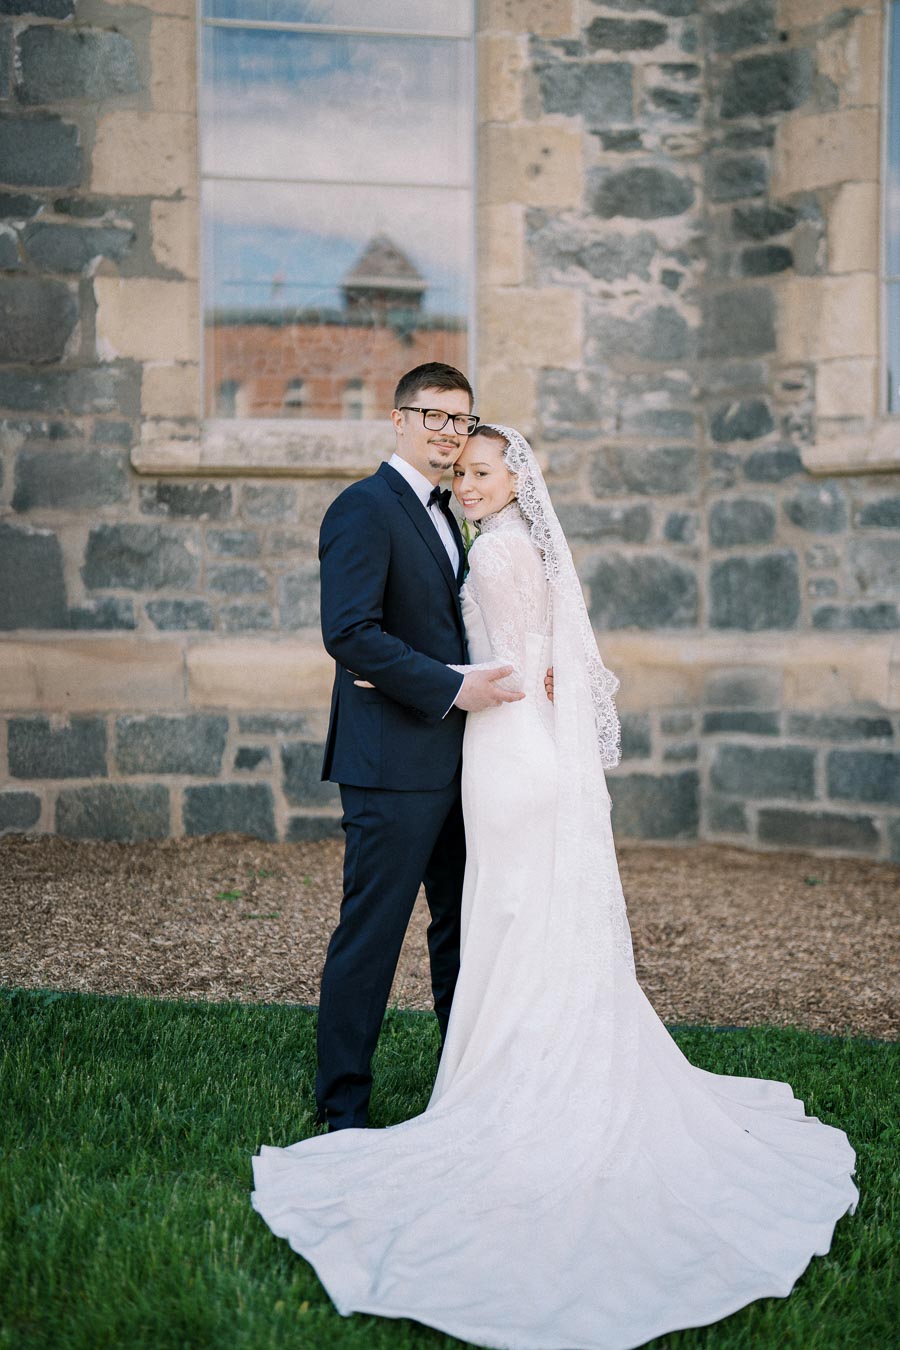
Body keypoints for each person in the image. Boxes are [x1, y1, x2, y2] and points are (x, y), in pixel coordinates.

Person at [253, 424, 857, 1349]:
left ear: (515, 479)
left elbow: (504, 659)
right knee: (516, 919)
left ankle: (515, 1087)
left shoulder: (497, 552)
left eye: (486, 471)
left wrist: (458, 684)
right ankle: (510, 1065)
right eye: (464, 472)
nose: (469, 483)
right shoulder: (502, 542)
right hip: (512, 748)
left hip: (503, 751)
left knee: (508, 918)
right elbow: (530, 655)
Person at [314, 363, 522, 1132]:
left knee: (459, 931)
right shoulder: (364, 508)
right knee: (372, 934)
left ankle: (460, 1086)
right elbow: (349, 632)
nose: (446, 430)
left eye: (460, 419)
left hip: (461, 763)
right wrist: (445, 685)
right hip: (392, 765)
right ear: (397, 419)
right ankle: (342, 1105)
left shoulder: (452, 510)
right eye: (431, 414)